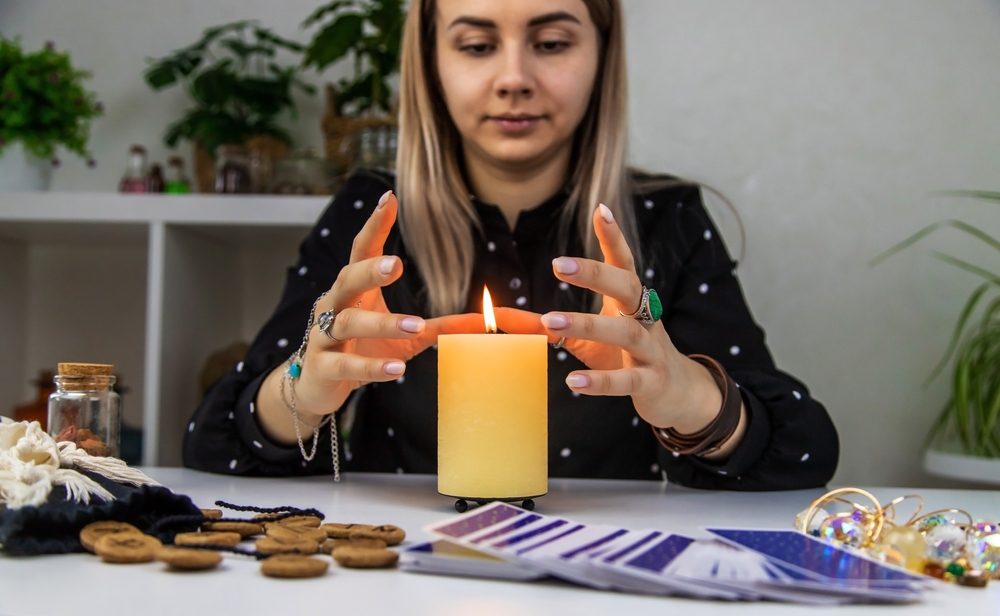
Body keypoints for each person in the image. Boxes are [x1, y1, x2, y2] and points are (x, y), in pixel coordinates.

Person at [183, 0, 839, 490]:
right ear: (431, 60)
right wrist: (306, 386)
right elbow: (212, 441)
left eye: (552, 42)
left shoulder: (665, 221)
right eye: (475, 45)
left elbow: (804, 450)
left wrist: (691, 399)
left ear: (602, 55)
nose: (514, 77)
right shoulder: (373, 217)